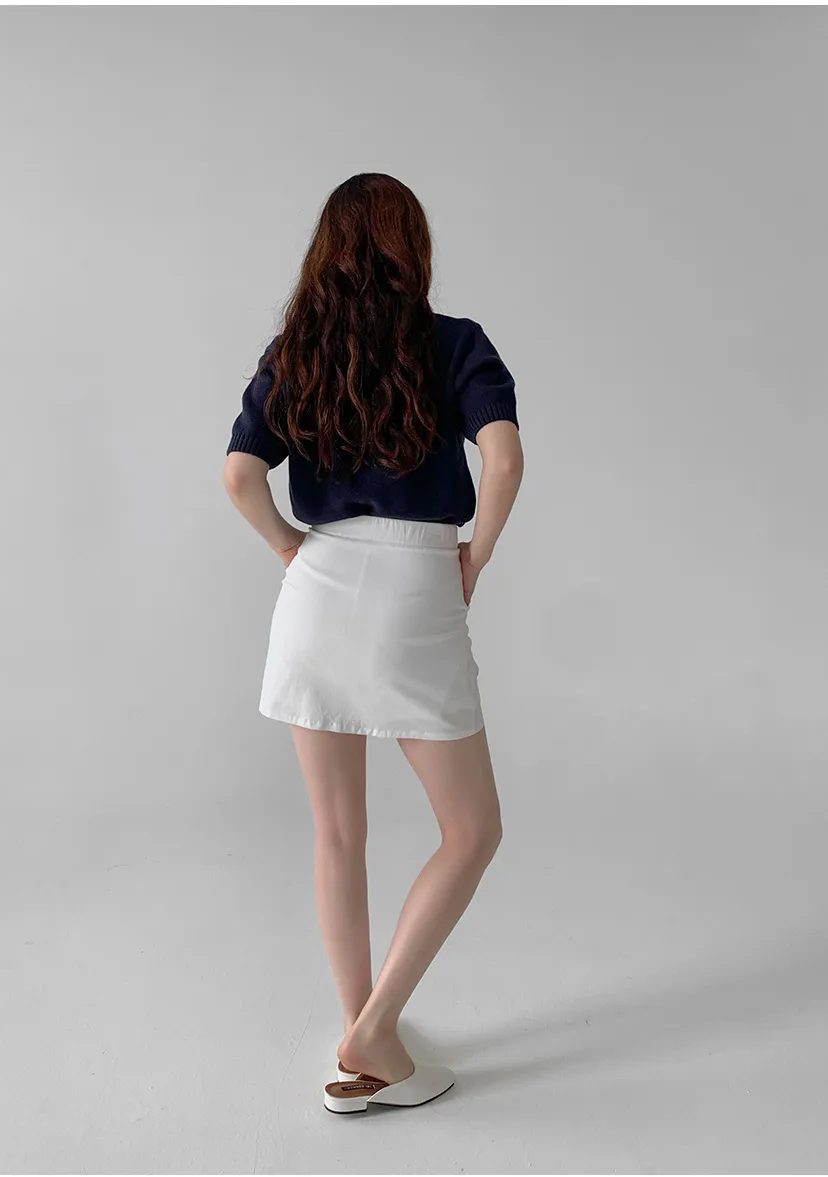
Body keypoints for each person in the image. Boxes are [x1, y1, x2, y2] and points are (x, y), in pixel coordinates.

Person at [222, 172, 523, 1114]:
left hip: (314, 591)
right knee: (471, 831)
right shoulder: (455, 343)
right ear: (413, 249)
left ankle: (361, 1033)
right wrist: (475, 556)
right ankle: (373, 1035)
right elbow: (505, 458)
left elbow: (238, 474)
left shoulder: (296, 351)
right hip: (414, 589)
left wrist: (288, 548)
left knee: (336, 831)